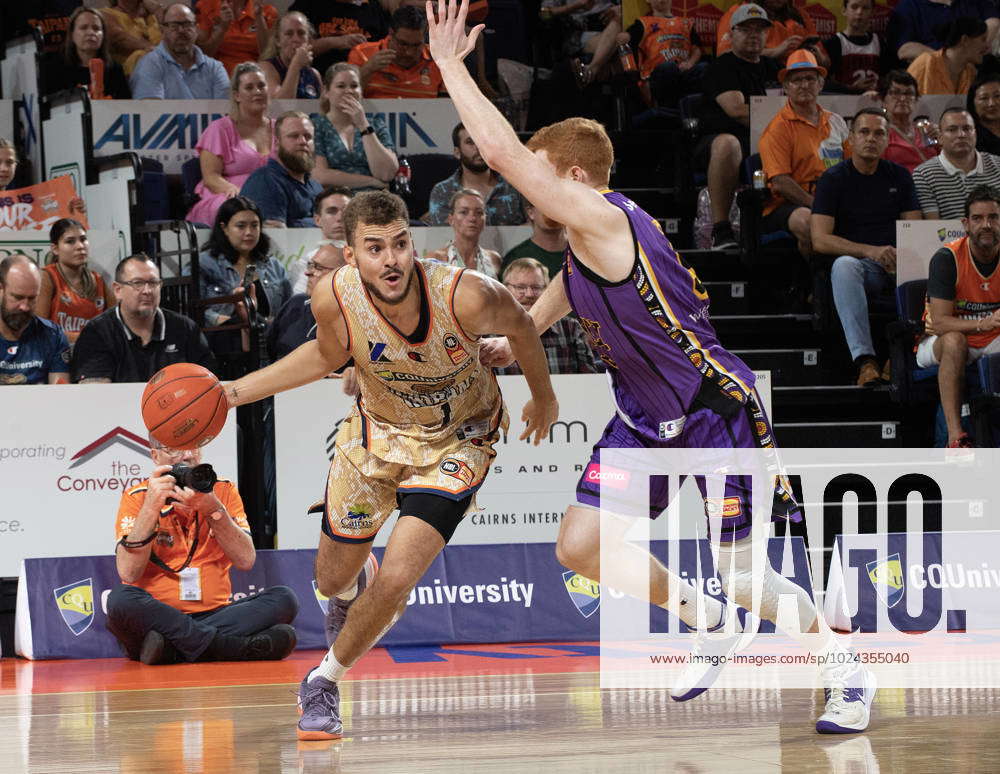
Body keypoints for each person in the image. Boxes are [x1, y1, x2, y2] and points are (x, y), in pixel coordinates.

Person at [432, 0, 875, 735]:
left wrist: (450, 66)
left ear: (574, 176)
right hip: (644, 420)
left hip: (713, 410)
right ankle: (707, 619)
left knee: (748, 578)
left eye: (546, 178)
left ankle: (846, 671)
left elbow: (505, 156)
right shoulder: (585, 246)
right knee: (579, 544)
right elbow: (562, 297)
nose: (531, 191)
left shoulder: (607, 219)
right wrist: (512, 345)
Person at [221, 188, 557, 740]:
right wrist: (236, 392)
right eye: (375, 248)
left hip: (458, 441)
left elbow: (521, 325)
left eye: (400, 244)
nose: (392, 259)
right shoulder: (333, 296)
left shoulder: (466, 296)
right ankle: (356, 591)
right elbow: (327, 354)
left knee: (401, 576)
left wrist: (543, 397)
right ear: (351, 255)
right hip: (376, 435)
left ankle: (323, 680)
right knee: (331, 581)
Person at [106, 439, 299, 665]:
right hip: (156, 618)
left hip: (215, 614)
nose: (187, 455)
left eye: (194, 446)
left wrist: (211, 508)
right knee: (120, 600)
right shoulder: (137, 496)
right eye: (174, 448)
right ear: (155, 456)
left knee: (284, 599)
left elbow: (246, 560)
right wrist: (151, 506)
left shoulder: (222, 491)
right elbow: (128, 573)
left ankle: (172, 650)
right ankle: (233, 648)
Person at [810, 109, 923, 386]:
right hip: (863, 265)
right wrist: (870, 251)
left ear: (887, 140)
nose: (871, 139)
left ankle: (902, 355)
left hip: (900, 261)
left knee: (931, 263)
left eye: (879, 133)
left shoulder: (900, 176)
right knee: (844, 266)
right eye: (864, 132)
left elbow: (915, 230)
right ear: (851, 138)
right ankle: (866, 361)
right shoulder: (833, 179)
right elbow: (820, 239)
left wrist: (901, 257)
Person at [918, 185, 1000, 448]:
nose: (986, 225)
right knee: (955, 341)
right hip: (940, 340)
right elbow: (939, 322)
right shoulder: (947, 258)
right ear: (965, 224)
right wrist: (982, 323)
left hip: (992, 338)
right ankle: (956, 437)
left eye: (993, 217)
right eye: (978, 218)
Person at [695, 3, 778, 250]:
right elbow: (737, 111)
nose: (754, 34)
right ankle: (721, 230)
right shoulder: (721, 67)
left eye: (760, 30)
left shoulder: (774, 68)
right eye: (746, 29)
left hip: (767, 139)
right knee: (728, 143)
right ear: (731, 34)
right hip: (719, 142)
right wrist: (785, 117)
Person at [71, 254, 217, 383]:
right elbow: (96, 395)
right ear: (117, 290)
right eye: (137, 283)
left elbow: (208, 384)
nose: (147, 291)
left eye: (153, 283)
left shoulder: (185, 328)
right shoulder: (97, 332)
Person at [759, 49, 849, 255]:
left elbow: (852, 166)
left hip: (833, 199)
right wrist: (820, 206)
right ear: (785, 87)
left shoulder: (837, 121)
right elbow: (781, 182)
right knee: (809, 223)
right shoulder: (778, 129)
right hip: (790, 204)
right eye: (797, 80)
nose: (805, 85)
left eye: (810, 78)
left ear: (821, 84)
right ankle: (813, 281)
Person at [199, 195, 292, 356]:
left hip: (270, 346)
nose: (249, 232)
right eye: (241, 226)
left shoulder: (273, 265)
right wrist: (222, 321)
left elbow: (288, 310)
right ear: (224, 228)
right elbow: (193, 308)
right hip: (223, 347)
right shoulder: (205, 263)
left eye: (254, 225)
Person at [187, 62, 275, 227]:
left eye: (261, 86)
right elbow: (211, 177)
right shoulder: (219, 129)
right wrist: (245, 196)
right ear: (236, 95)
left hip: (273, 193)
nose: (257, 91)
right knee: (236, 212)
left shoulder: (281, 128)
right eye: (249, 87)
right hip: (228, 194)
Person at [496, 258, 603, 376]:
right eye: (520, 287)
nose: (529, 294)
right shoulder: (490, 332)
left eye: (536, 287)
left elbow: (590, 381)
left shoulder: (571, 328)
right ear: (505, 289)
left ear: (547, 290)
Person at [310, 63, 398, 191]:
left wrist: (363, 124)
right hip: (334, 199)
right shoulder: (316, 125)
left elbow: (386, 174)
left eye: (354, 86)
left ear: (361, 92)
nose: (349, 91)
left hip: (374, 200)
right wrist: (371, 181)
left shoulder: (376, 124)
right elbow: (320, 176)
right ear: (326, 92)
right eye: (341, 86)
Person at [426, 123, 525, 225]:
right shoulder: (443, 192)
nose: (478, 148)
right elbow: (442, 236)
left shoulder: (515, 186)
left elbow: (534, 227)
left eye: (482, 142)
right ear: (457, 152)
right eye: (470, 142)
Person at [37, 219, 116, 344]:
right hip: (57, 358)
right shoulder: (46, 277)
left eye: (83, 239)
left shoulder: (100, 280)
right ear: (55, 249)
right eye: (70, 241)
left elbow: (117, 326)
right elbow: (39, 330)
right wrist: (89, 338)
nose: (80, 246)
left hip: (94, 357)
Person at [240, 111, 324, 228]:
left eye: (308, 136)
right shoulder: (265, 181)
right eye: (294, 136)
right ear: (277, 143)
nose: (303, 141)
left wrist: (294, 224)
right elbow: (276, 236)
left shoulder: (316, 187)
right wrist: (319, 224)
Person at [129, 3, 230, 100]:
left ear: (196, 28)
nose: (181, 30)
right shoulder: (149, 64)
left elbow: (226, 112)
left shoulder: (215, 69)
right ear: (162, 30)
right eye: (174, 25)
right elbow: (151, 113)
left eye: (187, 24)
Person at [912, 108, 1000, 219]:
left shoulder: (997, 165)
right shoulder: (924, 174)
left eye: (967, 128)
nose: (961, 134)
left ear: (975, 134)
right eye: (952, 129)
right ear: (940, 137)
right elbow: (934, 228)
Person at [0, 255, 70, 385]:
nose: (25, 307)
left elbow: (61, 395)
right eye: (17, 297)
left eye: (32, 298)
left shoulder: (53, 336)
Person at [347, 6, 445, 99]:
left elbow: (449, 107)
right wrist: (368, 69)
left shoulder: (438, 59)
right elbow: (345, 97)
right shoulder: (362, 53)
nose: (409, 53)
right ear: (391, 33)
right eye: (403, 44)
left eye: (416, 45)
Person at [619, 0, 703, 107]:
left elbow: (697, 49)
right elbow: (624, 39)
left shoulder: (686, 23)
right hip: (656, 76)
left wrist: (690, 63)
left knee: (703, 68)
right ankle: (669, 110)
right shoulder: (643, 23)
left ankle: (693, 112)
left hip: (684, 72)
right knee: (670, 67)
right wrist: (624, 37)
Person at [268, 244, 343, 361]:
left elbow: (380, 366)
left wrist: (353, 373)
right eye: (310, 265)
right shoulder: (295, 304)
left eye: (318, 267)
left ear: (342, 275)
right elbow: (269, 351)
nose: (307, 273)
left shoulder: (362, 318)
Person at [41, 7, 131, 99]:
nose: (91, 32)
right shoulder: (54, 68)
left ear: (103, 36)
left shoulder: (115, 69)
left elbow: (125, 107)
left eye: (96, 28)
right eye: (83, 28)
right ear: (72, 35)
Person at [288, 0, 388, 75]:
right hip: (315, 81)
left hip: (361, 83)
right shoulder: (308, 4)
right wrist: (335, 42)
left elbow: (385, 51)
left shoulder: (375, 9)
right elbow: (290, 49)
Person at [717, 0, 828, 67]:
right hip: (765, 77)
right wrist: (775, 51)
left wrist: (817, 56)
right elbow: (724, 55)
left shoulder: (800, 15)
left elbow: (826, 62)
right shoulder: (740, 12)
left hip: (804, 74)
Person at [288, 186, 353, 294]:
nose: (340, 218)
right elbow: (300, 303)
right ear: (317, 220)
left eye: (347, 211)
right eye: (332, 211)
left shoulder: (367, 260)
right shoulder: (303, 264)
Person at [425, 188, 502, 278]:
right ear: (451, 219)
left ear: (484, 220)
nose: (472, 218)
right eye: (464, 212)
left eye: (479, 212)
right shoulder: (435, 259)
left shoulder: (494, 259)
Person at [888, 0, 998, 62]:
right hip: (932, 75)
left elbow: (993, 22)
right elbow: (904, 49)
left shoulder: (976, 2)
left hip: (978, 74)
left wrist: (982, 43)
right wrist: (948, 60)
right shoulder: (908, 7)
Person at [823, 0, 893, 94]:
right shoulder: (833, 43)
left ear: (873, 12)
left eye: (865, 8)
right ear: (844, 10)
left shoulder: (880, 43)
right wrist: (852, 89)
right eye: (854, 7)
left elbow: (891, 78)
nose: (859, 12)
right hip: (842, 104)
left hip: (875, 103)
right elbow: (822, 82)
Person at [907, 18, 988, 96]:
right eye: (983, 40)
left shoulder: (971, 73)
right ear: (965, 40)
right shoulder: (926, 63)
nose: (987, 46)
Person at [879, 70, 940, 173]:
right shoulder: (880, 132)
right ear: (883, 100)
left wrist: (942, 141)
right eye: (895, 93)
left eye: (909, 93)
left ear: (916, 99)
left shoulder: (926, 130)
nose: (902, 98)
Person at [196, 0, 278, 76]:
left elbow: (267, 56)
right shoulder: (206, 5)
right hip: (218, 74)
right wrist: (222, 29)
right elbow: (201, 56)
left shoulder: (267, 12)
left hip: (254, 75)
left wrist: (259, 17)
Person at [260, 11, 323, 99]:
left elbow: (323, 110)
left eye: (301, 33)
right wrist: (296, 65)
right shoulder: (267, 68)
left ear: (308, 40)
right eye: (289, 34)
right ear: (278, 41)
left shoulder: (314, 74)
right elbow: (280, 107)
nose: (296, 39)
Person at [501, 197, 569, 279]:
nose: (551, 212)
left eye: (557, 206)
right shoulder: (516, 257)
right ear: (530, 212)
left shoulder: (580, 253)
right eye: (544, 206)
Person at [100, 0, 164, 76]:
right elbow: (119, 38)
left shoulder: (152, 13)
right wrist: (156, 50)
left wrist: (157, 10)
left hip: (165, 69)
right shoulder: (106, 14)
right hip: (130, 75)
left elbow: (172, 33)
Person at [968, 73, 1000, 156]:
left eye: (997, 96)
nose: (992, 103)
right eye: (984, 98)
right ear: (973, 103)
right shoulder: (969, 137)